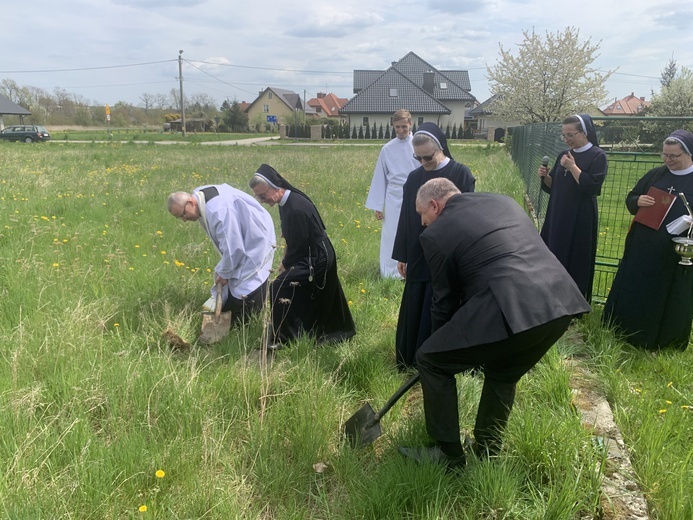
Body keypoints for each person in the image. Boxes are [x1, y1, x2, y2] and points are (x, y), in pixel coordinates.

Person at [398, 178, 591, 468]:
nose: (423, 223)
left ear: (435, 206)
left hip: (511, 304)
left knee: (431, 360)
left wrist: (439, 345)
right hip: (559, 303)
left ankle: (447, 455)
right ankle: (487, 448)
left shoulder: (436, 233)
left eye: (421, 214)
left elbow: (444, 300)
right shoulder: (502, 201)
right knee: (503, 373)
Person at [392, 122, 476, 370]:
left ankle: (443, 358)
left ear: (441, 149)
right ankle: (412, 358)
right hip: (420, 251)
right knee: (418, 300)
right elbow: (407, 218)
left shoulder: (461, 173)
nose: (423, 163)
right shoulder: (414, 178)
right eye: (418, 158)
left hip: (451, 251)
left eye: (428, 157)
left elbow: (468, 216)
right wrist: (403, 255)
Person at [603, 130, 693, 351]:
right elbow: (631, 198)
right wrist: (638, 200)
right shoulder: (656, 174)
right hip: (643, 247)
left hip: (675, 253)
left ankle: (663, 341)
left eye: (674, 156)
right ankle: (625, 328)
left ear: (689, 153)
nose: (668, 160)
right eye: (664, 155)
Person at [249, 164, 356, 348]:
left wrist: (285, 265)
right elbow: (291, 239)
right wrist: (285, 260)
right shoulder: (285, 203)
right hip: (313, 251)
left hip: (317, 256)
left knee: (279, 287)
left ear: (275, 186)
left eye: (262, 195)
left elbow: (297, 248)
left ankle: (285, 338)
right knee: (293, 286)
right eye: (258, 197)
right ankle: (302, 330)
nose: (261, 200)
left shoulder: (296, 207)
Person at [167, 184, 276, 324]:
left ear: (190, 202)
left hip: (257, 237)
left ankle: (246, 320)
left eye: (183, 214)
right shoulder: (199, 196)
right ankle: (232, 312)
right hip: (244, 233)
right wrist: (225, 272)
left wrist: (224, 273)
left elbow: (234, 249)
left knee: (248, 280)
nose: (184, 219)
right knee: (232, 278)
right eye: (179, 217)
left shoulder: (217, 211)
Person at [538, 114, 608, 301]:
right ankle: (550, 295)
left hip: (580, 216)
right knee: (554, 252)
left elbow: (591, 188)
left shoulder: (598, 156)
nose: (567, 140)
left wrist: (573, 167)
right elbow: (554, 187)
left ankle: (572, 303)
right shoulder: (563, 155)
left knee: (576, 258)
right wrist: (545, 177)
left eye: (571, 135)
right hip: (558, 213)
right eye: (564, 135)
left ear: (584, 133)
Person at [365, 109, 420, 278]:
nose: (401, 130)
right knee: (391, 234)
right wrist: (377, 205)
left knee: (415, 232)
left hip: (415, 194)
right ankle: (391, 272)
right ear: (393, 126)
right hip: (394, 196)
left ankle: (413, 269)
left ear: (410, 124)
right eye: (398, 127)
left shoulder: (419, 145)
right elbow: (380, 177)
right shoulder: (387, 149)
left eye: (404, 126)